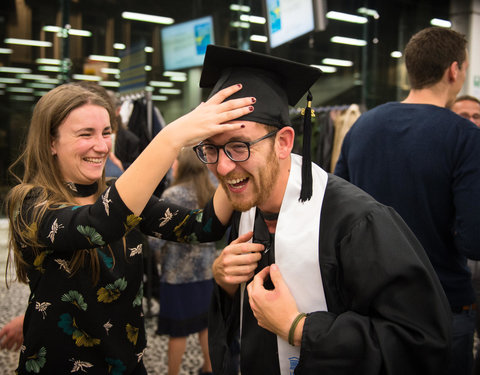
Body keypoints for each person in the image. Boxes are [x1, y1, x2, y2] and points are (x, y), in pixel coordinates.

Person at [194, 44, 451, 375]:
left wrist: (300, 328)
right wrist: (225, 284)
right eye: (211, 149)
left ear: (284, 142)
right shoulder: (246, 207)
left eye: (239, 146)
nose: (224, 167)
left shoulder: (357, 222)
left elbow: (421, 341)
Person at [3, 82, 254, 374]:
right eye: (86, 134)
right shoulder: (30, 204)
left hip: (127, 364)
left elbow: (203, 227)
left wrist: (230, 158)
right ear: (51, 142)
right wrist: (171, 138)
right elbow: (97, 224)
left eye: (106, 133)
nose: (101, 146)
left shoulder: (119, 194)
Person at [334, 27, 480, 375]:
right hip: (441, 305)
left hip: (369, 306)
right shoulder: (466, 138)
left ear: (409, 71)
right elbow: (474, 240)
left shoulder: (362, 128)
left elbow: (335, 211)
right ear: (454, 71)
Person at [149, 148, 217, 375]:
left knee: (178, 331)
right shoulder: (213, 191)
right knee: (204, 325)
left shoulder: (172, 196)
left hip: (177, 276)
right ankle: (209, 368)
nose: (173, 165)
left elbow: (155, 242)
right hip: (207, 273)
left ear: (182, 164)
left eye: (175, 160)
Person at [450, 94, 480, 374]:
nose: (471, 122)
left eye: (476, 117)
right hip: (458, 280)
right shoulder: (446, 160)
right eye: (464, 116)